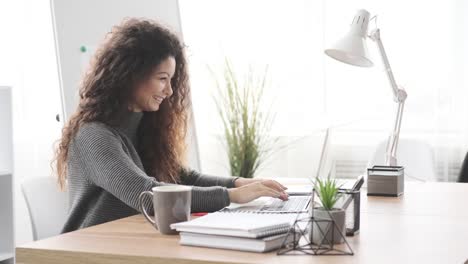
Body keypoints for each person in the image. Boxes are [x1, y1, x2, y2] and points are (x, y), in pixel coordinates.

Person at [54, 18, 289, 233]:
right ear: (130, 75)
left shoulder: (143, 127)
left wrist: (239, 183)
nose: (169, 91)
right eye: (162, 79)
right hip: (86, 249)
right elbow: (147, 195)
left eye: (171, 80)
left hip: (130, 240)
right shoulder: (93, 135)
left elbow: (183, 178)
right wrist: (232, 196)